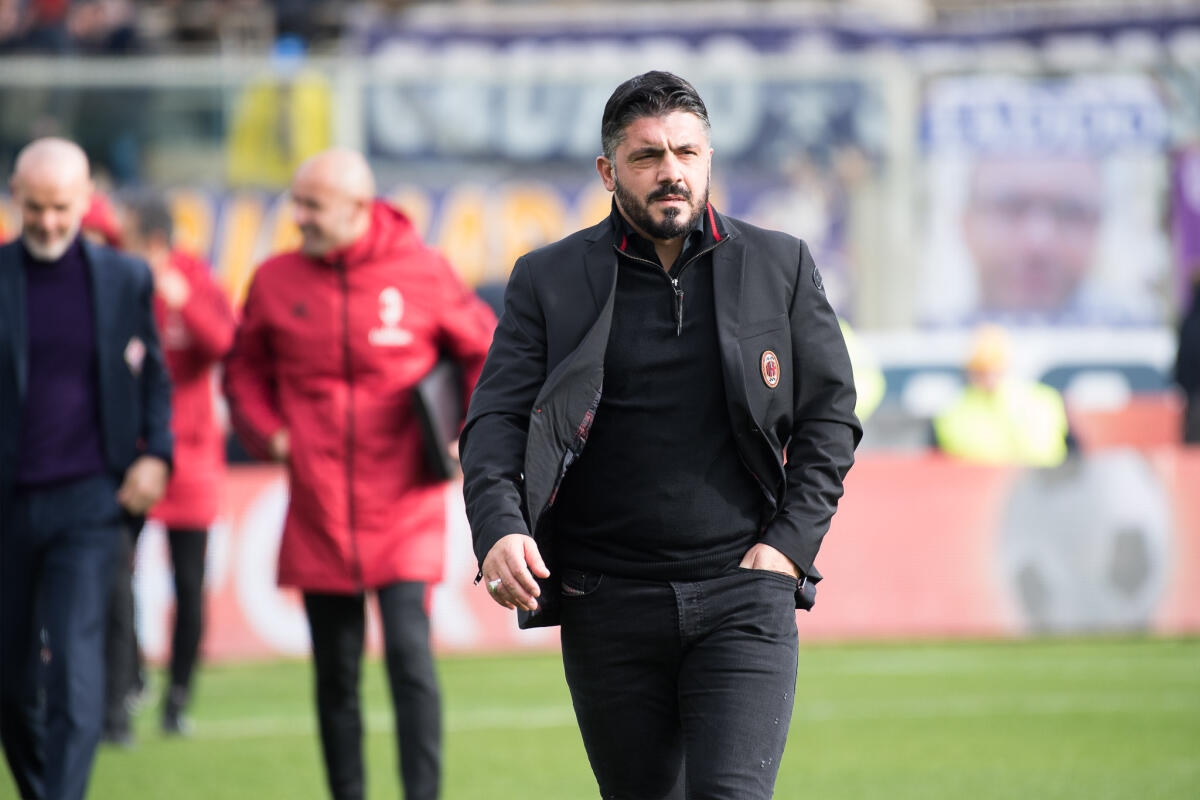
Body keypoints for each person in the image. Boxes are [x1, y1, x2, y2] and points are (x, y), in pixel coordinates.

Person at [460, 72, 861, 800]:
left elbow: (831, 414)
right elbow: (494, 421)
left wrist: (789, 548)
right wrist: (497, 528)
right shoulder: (548, 279)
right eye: (647, 157)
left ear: (709, 159)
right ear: (609, 172)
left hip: (745, 593)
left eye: (686, 152)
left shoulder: (781, 265)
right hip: (604, 602)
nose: (670, 171)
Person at [223, 148, 495, 800]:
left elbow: (487, 351)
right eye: (297, 202)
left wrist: (467, 434)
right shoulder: (273, 280)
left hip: (403, 500)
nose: (299, 218)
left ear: (356, 208)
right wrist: (271, 434)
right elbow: (242, 372)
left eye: (311, 206)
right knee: (335, 674)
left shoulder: (423, 272)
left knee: (410, 658)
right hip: (317, 503)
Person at [0, 137, 172, 800]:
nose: (47, 222)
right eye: (35, 208)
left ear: (86, 203)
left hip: (91, 503)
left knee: (74, 665)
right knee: (12, 684)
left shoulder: (124, 278)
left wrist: (156, 453)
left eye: (61, 209)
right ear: (16, 196)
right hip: (10, 503)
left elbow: (156, 378)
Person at [120, 190, 237, 736]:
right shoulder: (116, 282)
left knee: (189, 582)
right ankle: (127, 680)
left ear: (154, 242)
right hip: (127, 452)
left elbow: (224, 346)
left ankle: (179, 697)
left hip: (190, 456)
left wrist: (184, 299)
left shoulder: (196, 280)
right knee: (114, 574)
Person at [960, 153, 1105, 319]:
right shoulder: (929, 338)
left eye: (1069, 212)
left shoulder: (1134, 341)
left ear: (1097, 228)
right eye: (1012, 207)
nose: (1038, 242)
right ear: (966, 225)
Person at [932, 324, 1075, 467]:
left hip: (1040, 484)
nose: (988, 376)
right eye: (981, 369)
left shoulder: (1044, 400)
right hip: (983, 485)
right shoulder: (952, 410)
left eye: (994, 367)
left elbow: (1048, 452)